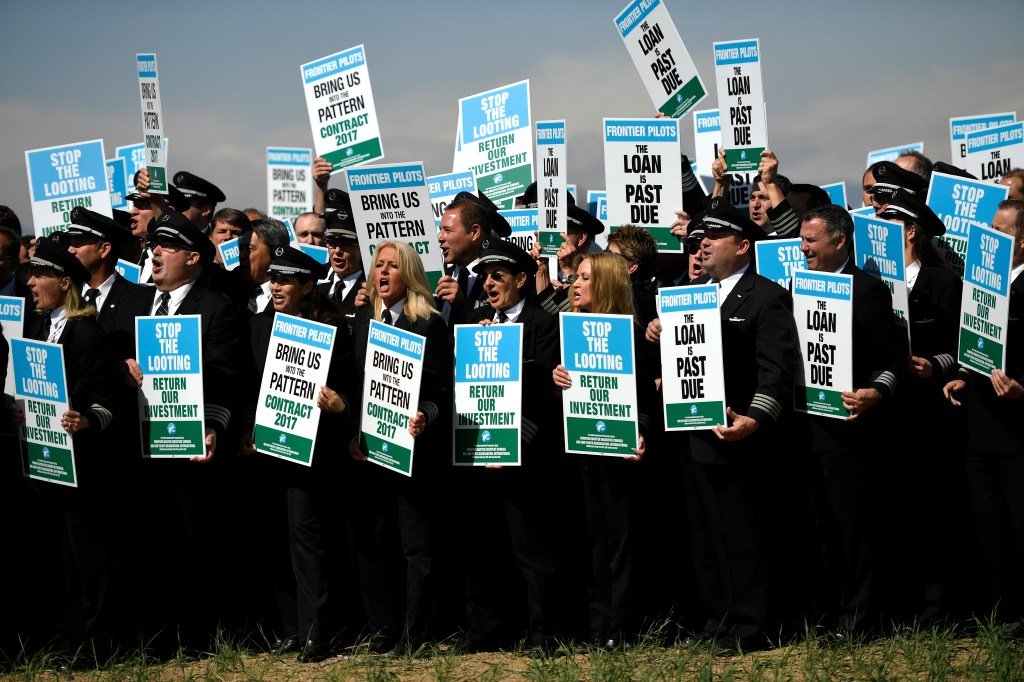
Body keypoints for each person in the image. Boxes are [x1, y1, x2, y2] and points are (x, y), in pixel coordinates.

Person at [109, 211, 243, 652]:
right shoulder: (132, 303)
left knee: (189, 546)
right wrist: (121, 369)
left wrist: (213, 426)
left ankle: (195, 638)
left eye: (166, 246)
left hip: (187, 451)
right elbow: (101, 358)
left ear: (192, 257)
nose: (156, 252)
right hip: (137, 448)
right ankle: (151, 638)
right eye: (153, 246)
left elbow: (226, 375)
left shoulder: (216, 309)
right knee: (144, 546)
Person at [677, 197, 798, 651]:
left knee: (741, 535)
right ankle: (719, 620)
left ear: (744, 245)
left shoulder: (766, 296)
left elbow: (777, 367)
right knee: (705, 536)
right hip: (693, 431)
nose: (703, 246)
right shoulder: (692, 294)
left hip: (739, 436)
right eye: (701, 239)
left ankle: (753, 626)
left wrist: (757, 417)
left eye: (714, 238)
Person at [243, 246, 356, 662]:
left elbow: (348, 385)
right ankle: (291, 627)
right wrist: (245, 429)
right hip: (265, 451)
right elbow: (247, 385)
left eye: (286, 280)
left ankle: (317, 631)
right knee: (276, 540)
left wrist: (337, 403)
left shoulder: (330, 327)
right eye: (273, 278)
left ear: (308, 285)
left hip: (313, 455)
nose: (276, 286)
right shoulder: (258, 325)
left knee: (309, 542)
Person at [798, 204, 903, 635]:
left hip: (849, 429)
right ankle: (829, 613)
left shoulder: (867, 289)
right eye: (802, 240)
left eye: (810, 240)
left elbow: (891, 358)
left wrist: (875, 392)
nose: (802, 248)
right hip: (808, 426)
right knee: (820, 527)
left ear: (840, 241)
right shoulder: (799, 286)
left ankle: (861, 619)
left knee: (853, 527)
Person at [459, 238, 563, 655]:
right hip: (479, 453)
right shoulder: (476, 319)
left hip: (526, 456)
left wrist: (515, 444)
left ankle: (544, 635)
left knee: (532, 551)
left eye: (497, 276)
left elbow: (547, 395)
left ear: (522, 279)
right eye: (484, 277)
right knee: (483, 547)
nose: (488, 284)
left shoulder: (543, 322)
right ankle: (487, 631)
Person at [349, 241, 452, 654]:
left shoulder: (428, 323)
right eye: (379, 265)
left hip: (414, 453)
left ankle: (416, 634)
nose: (384, 271)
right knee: (376, 542)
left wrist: (425, 415)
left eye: (393, 265)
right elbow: (355, 385)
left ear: (408, 274)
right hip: (370, 451)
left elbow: (443, 389)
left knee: (415, 547)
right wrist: (352, 434)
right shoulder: (361, 320)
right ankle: (384, 628)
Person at [21, 236, 119, 662]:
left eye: (38, 274)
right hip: (50, 465)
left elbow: (105, 400)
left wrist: (88, 419)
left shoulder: (87, 331)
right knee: (61, 557)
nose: (30, 282)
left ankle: (97, 643)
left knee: (90, 557)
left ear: (64, 282)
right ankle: (68, 636)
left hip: (86, 468)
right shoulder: (43, 327)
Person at [551, 251, 655, 648]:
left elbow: (646, 399)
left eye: (586, 278)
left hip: (616, 455)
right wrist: (554, 376)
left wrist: (641, 434)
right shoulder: (563, 330)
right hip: (574, 456)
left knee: (617, 544)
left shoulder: (629, 332)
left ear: (608, 284)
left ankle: (619, 628)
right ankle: (592, 626)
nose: (575, 284)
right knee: (586, 542)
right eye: (575, 277)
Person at [875, 190, 963, 624]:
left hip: (929, 410)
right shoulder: (875, 282)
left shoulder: (940, 280)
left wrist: (935, 365)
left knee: (933, 508)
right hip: (889, 411)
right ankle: (903, 603)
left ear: (910, 231)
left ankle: (938, 608)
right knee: (898, 508)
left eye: (890, 223)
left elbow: (960, 347)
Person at [943, 199, 1024, 637]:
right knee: (989, 526)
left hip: (1016, 433)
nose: (992, 238)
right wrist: (961, 379)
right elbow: (975, 347)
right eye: (990, 228)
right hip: (979, 429)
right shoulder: (978, 283)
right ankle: (1005, 612)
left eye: (1004, 233)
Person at [436, 191, 512, 328]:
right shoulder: (438, 275)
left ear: (475, 232)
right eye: (440, 230)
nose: (440, 237)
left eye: (448, 230)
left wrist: (462, 303)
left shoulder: (502, 278)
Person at [65, 207, 140, 333]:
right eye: (71, 243)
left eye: (78, 243)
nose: (70, 250)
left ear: (104, 249)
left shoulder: (136, 298)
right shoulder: (65, 293)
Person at [317, 190, 364, 323]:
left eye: (346, 244)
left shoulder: (372, 290)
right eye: (332, 243)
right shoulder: (316, 287)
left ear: (360, 246)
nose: (337, 250)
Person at [607, 225, 659, 327]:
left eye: (611, 255)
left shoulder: (637, 304)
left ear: (631, 267)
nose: (603, 258)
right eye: (605, 251)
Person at [245, 218, 292, 315]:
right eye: (240, 249)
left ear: (274, 252)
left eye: (249, 249)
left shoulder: (294, 300)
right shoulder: (233, 292)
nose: (241, 256)